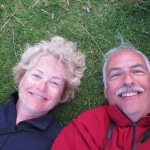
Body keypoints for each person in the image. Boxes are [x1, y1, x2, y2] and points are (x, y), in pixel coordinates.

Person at [51, 42, 150, 150]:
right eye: (116, 74)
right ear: (106, 92)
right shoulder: (86, 127)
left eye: (137, 71)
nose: (128, 80)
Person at [0, 36, 86, 150]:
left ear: (63, 94)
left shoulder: (59, 142)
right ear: (22, 76)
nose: (42, 87)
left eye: (54, 83)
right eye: (36, 75)